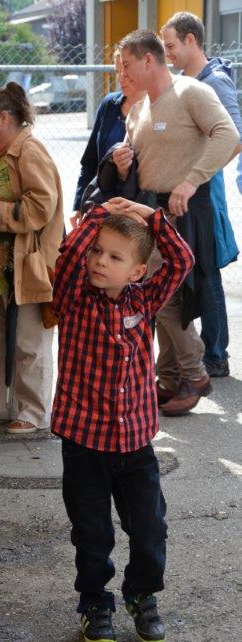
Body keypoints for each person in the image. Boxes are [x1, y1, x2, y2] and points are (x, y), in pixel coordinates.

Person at [52, 197, 194, 642]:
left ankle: (142, 595)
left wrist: (150, 216)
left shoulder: (145, 299)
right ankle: (95, 603)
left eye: (115, 257)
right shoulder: (74, 299)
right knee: (92, 532)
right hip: (84, 442)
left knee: (150, 528)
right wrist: (97, 215)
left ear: (137, 271)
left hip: (135, 444)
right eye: (97, 251)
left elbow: (182, 260)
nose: (100, 261)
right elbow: (69, 258)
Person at [113, 30, 239, 416]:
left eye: (128, 66)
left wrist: (192, 180)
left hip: (185, 210)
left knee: (168, 298)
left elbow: (229, 135)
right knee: (161, 298)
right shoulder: (137, 110)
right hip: (150, 212)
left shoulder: (191, 92)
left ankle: (194, 374)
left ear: (149, 60)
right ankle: (169, 378)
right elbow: (140, 163)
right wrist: (123, 164)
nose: (122, 74)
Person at [0, 83, 63, 434]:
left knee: (28, 341)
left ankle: (32, 412)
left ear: (4, 118)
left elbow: (42, 205)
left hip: (26, 263)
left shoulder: (29, 151)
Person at [161, 12, 242, 379]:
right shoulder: (185, 83)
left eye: (171, 46)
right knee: (192, 269)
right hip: (188, 192)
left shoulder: (215, 83)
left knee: (207, 272)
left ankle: (216, 355)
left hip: (204, 193)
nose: (168, 54)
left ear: (191, 40)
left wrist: (197, 177)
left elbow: (235, 138)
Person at [71, 51, 144, 226]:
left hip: (138, 210)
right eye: (117, 71)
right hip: (103, 205)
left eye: (126, 71)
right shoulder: (109, 105)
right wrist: (79, 204)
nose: (121, 78)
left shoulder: (156, 109)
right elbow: (90, 162)